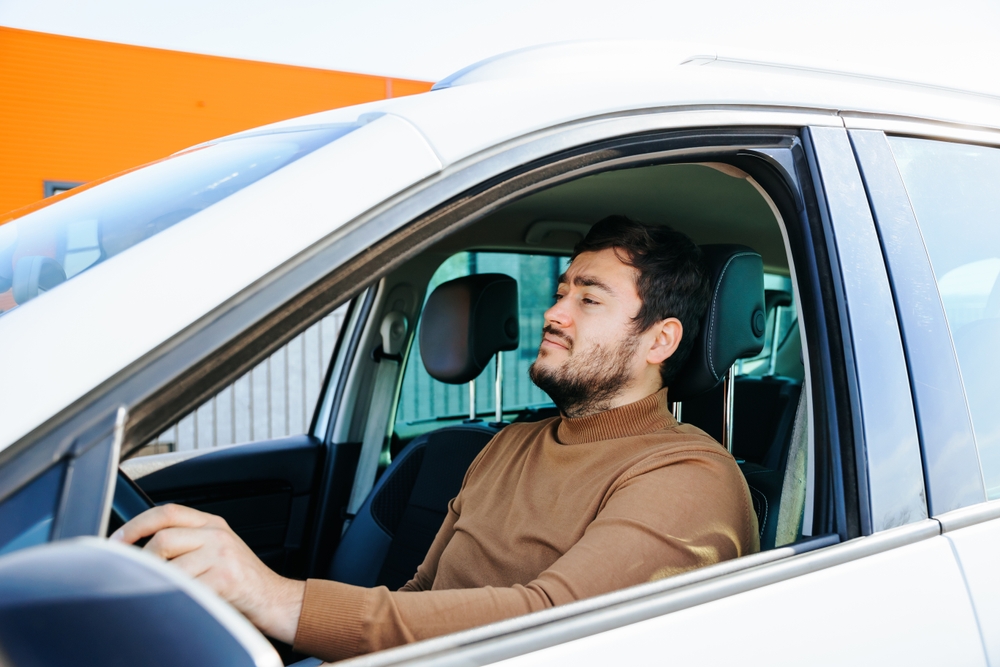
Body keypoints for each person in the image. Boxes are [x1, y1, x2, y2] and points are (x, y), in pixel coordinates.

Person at [113, 216, 759, 662]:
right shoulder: (503, 446)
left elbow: (548, 623)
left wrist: (276, 596)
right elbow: (422, 598)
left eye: (588, 300)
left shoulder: (689, 476)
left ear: (661, 340)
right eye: (561, 290)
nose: (553, 312)